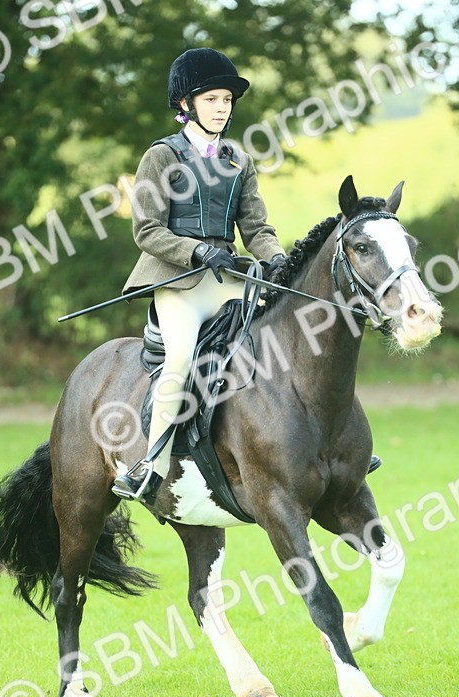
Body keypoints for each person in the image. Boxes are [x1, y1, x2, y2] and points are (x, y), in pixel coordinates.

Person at [112, 47, 288, 502]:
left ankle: (316, 442)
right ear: (186, 104)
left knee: (293, 333)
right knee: (180, 358)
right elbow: (146, 230)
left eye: (227, 100)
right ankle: (152, 464)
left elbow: (256, 228)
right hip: (178, 282)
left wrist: (276, 258)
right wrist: (196, 252)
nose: (222, 108)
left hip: (229, 277)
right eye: (212, 99)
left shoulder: (238, 161)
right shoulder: (161, 156)